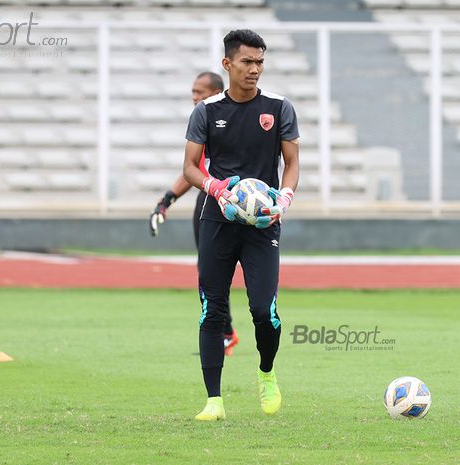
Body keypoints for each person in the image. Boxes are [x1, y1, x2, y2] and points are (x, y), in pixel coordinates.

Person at [182, 29, 300, 421]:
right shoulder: (206, 111)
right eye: (247, 62)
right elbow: (190, 168)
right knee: (211, 311)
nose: (255, 69)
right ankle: (213, 401)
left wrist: (284, 197)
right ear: (227, 64)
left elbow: (292, 163)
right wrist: (215, 187)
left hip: (262, 223)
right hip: (218, 218)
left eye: (260, 62)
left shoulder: (280, 107)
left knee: (263, 310)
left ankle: (266, 373)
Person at [149, 71, 239, 356]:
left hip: (234, 200)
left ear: (215, 92)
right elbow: (193, 171)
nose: (194, 97)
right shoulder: (203, 122)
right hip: (209, 200)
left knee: (223, 269)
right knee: (209, 269)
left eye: (199, 92)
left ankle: (226, 332)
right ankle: (225, 332)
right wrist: (166, 201)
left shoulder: (229, 120)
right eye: (193, 92)